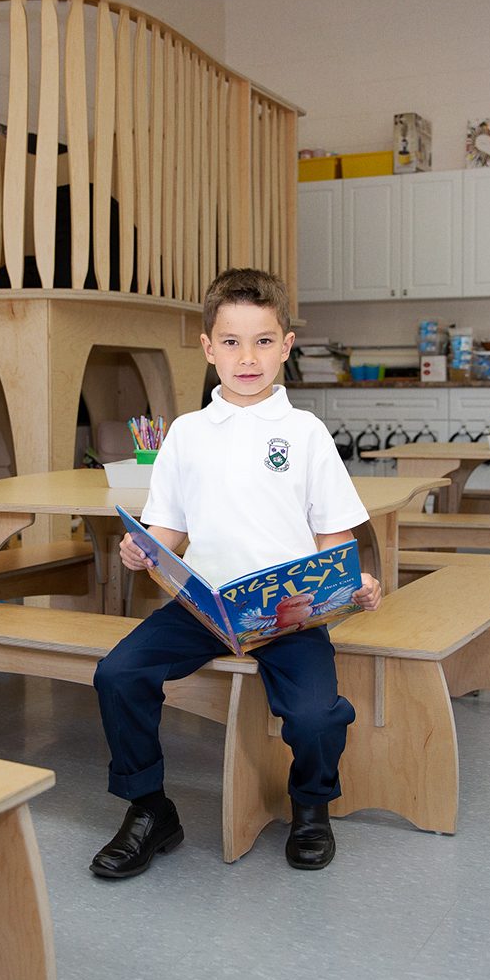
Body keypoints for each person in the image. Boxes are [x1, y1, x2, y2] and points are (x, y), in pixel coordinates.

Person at [90, 268, 381, 878]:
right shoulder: (187, 435)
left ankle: (311, 807)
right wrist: (141, 551)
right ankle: (149, 810)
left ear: (287, 345)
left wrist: (355, 583)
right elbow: (166, 530)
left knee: (315, 715)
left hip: (291, 612)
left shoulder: (305, 433)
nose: (247, 358)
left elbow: (334, 537)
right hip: (203, 606)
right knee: (117, 673)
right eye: (231, 342)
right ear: (207, 348)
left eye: (263, 341)